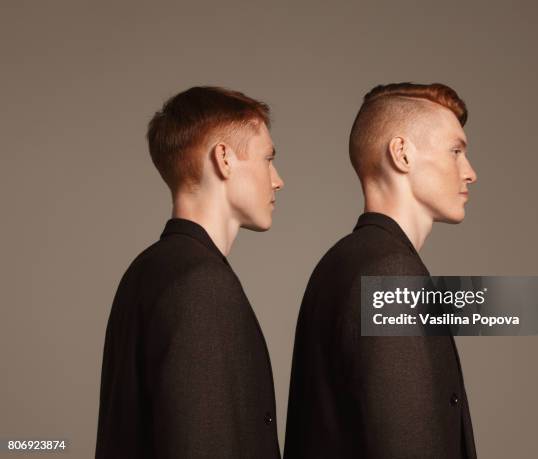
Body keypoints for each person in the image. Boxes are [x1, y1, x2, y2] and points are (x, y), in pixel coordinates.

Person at [284, 82, 478, 458]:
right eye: (456, 151)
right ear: (402, 154)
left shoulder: (340, 264)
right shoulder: (393, 273)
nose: (470, 172)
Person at [95, 86, 284, 458]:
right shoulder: (200, 284)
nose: (277, 179)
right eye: (267, 159)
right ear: (224, 159)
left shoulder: (148, 270)